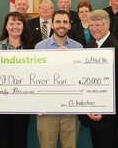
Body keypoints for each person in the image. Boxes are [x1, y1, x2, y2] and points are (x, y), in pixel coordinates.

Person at [79, 9, 118, 148]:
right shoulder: (90, 46)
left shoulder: (117, 49)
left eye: (98, 25)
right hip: (92, 112)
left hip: (107, 116)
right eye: (91, 25)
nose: (94, 29)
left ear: (107, 25)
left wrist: (104, 111)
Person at [35, 10, 83, 148]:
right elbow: (35, 77)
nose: (61, 25)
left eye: (65, 22)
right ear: (52, 25)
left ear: (69, 26)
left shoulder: (78, 48)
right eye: (58, 22)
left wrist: (69, 60)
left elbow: (82, 77)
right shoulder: (40, 47)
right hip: (46, 110)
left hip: (70, 110)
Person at [0, 11, 33, 148]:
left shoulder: (31, 48)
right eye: (11, 23)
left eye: (18, 23)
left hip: (23, 102)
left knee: (20, 139)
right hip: (1, 103)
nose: (15, 26)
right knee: (3, 140)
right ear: (6, 26)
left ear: (23, 26)